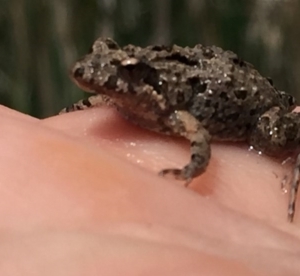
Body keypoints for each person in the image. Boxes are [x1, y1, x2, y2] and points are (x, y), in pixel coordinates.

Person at [1, 104, 299, 275]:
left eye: (128, 74)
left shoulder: (172, 108)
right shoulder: (126, 101)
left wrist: (192, 169)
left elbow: (198, 133)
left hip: (260, 110)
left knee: (269, 139)